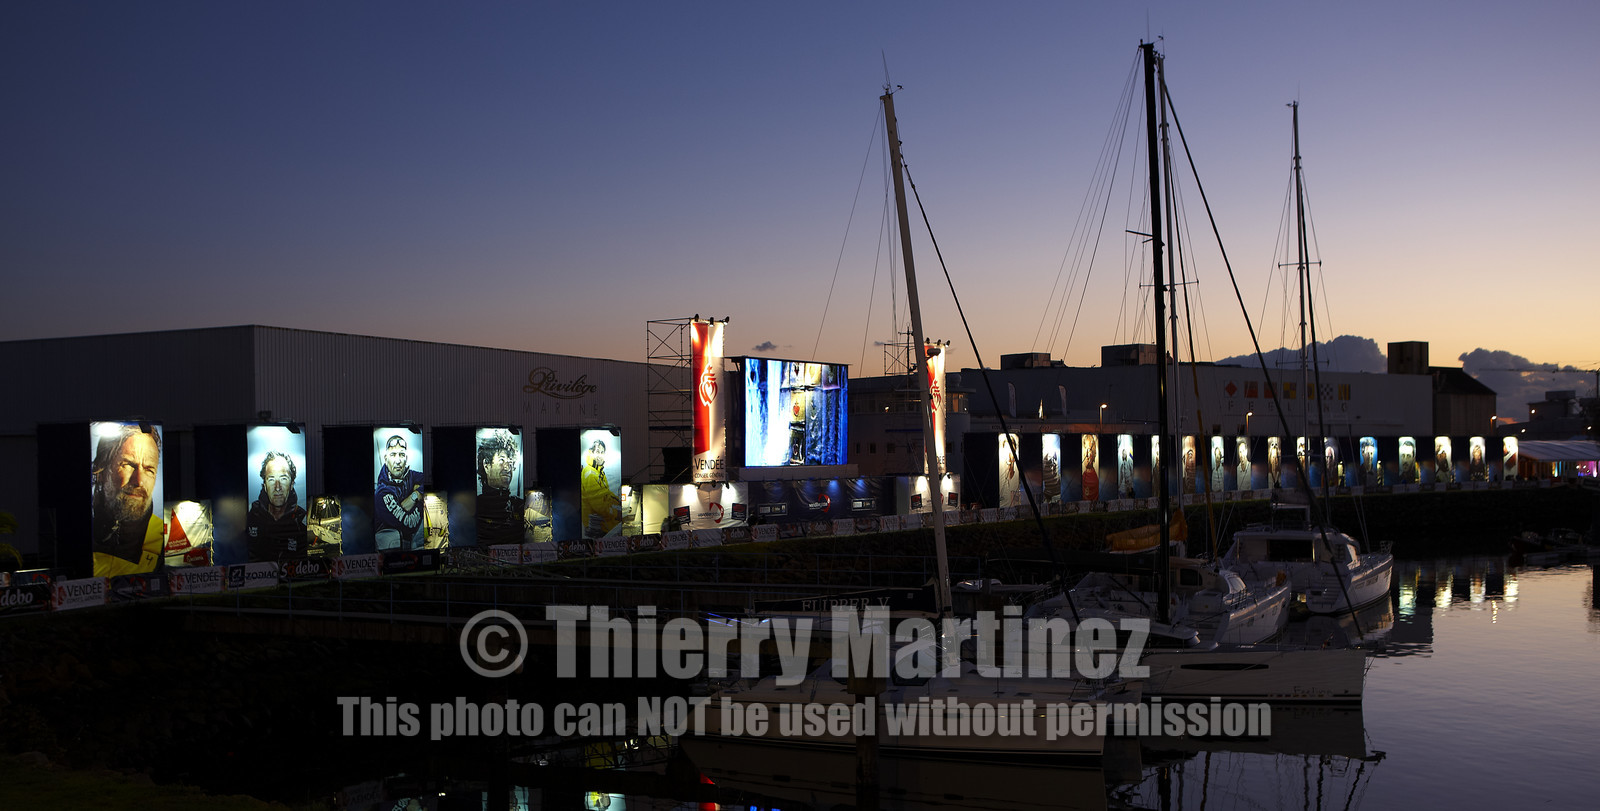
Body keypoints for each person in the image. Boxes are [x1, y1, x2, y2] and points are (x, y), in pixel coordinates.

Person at [91, 425, 163, 577]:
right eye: (128, 465)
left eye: (149, 470)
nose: (139, 481)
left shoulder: (163, 539)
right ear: (101, 471)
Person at [247, 450, 308, 560]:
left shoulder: (302, 522)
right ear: (264, 485)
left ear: (292, 485)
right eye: (271, 479)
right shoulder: (251, 516)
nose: (278, 487)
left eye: (283, 478)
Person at [375, 433, 425, 550]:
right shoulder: (382, 493)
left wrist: (415, 495)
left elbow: (429, 480)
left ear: (406, 459)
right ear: (386, 459)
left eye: (401, 455)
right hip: (390, 551)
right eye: (393, 455)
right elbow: (410, 524)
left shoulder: (410, 475)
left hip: (408, 544)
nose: (398, 461)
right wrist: (420, 502)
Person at [475, 430, 524, 545]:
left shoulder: (519, 506)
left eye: (510, 462)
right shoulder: (475, 507)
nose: (507, 467)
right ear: (486, 465)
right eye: (502, 460)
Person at [581, 438, 622, 538]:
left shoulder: (599, 473)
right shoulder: (589, 474)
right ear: (591, 453)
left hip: (602, 523)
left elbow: (606, 494)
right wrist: (617, 513)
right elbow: (599, 506)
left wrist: (619, 502)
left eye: (602, 452)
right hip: (596, 527)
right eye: (597, 452)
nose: (600, 455)